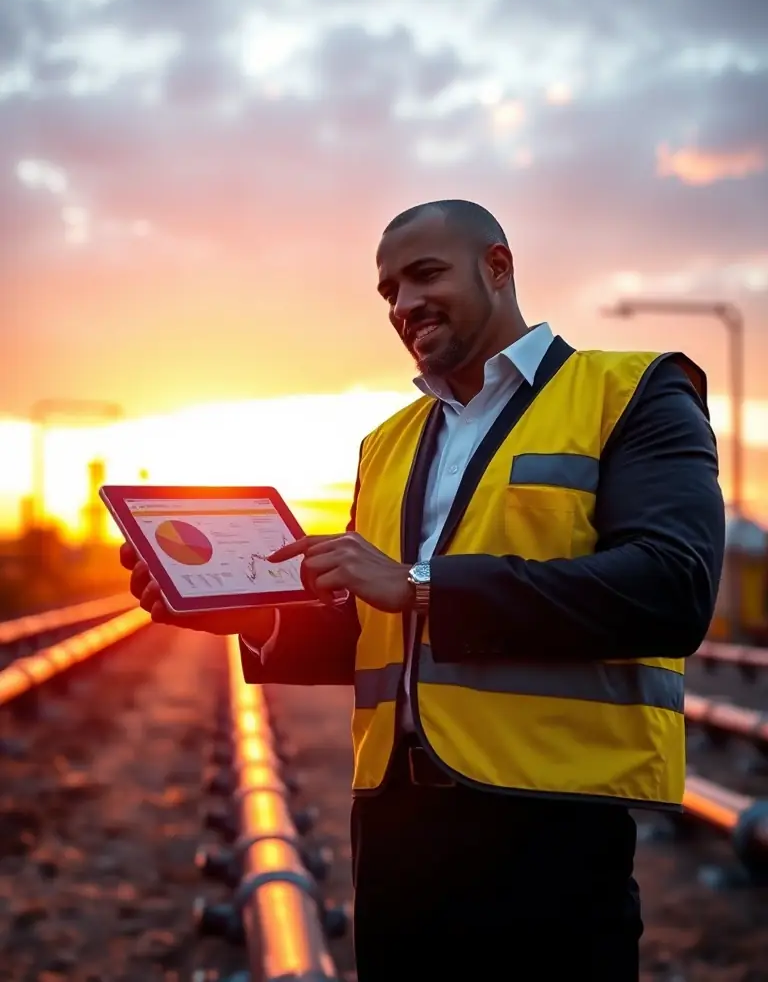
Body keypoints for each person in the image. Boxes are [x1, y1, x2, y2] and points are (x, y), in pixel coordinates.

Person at [121, 200, 725, 980]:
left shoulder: (633, 393)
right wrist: (254, 612)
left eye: (425, 274)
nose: (404, 305)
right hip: (396, 829)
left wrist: (420, 584)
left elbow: (670, 589)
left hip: (552, 831)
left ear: (498, 267)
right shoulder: (388, 442)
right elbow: (379, 626)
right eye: (388, 292)